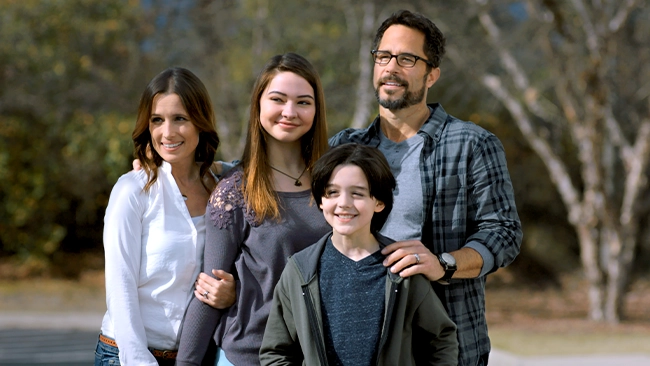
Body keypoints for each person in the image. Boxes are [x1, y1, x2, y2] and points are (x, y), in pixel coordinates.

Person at [329, 10, 523, 366]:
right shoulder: (346, 146)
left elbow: (504, 233)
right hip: (360, 345)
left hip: (444, 344)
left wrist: (443, 264)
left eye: (407, 59)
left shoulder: (472, 144)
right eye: (383, 56)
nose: (391, 68)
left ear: (431, 73)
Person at [176, 53, 332, 366]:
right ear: (258, 105)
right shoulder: (235, 192)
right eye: (278, 99)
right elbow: (210, 292)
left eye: (303, 102)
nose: (290, 111)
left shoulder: (335, 184)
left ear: (316, 110)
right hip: (251, 356)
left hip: (324, 355)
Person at [260, 143, 459, 365]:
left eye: (357, 193)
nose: (343, 203)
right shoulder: (299, 270)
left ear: (379, 202)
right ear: (321, 200)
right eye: (332, 192)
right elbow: (275, 352)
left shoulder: (403, 267)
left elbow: (441, 340)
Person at [95, 67, 224, 366]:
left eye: (180, 118)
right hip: (127, 354)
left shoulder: (221, 192)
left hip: (195, 356)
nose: (167, 133)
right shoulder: (132, 190)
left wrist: (229, 292)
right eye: (157, 120)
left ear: (200, 122)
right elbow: (119, 285)